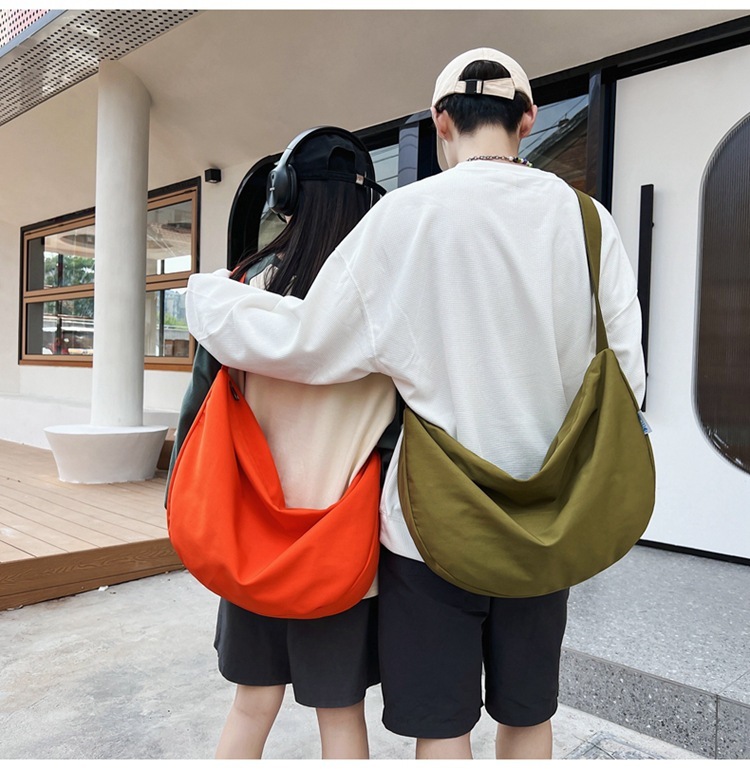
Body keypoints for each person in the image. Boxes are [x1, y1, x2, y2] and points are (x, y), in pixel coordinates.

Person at [185, 48, 646, 760]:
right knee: (529, 717)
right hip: (551, 523)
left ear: (441, 122)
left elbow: (309, 340)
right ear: (527, 119)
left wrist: (209, 298)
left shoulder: (405, 216)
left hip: (433, 530)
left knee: (443, 727)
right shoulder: (589, 221)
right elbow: (628, 380)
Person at [170, 126, 396, 759]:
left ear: (285, 195)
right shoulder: (386, 306)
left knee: (252, 704)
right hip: (343, 546)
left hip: (250, 538)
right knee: (340, 716)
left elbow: (197, 419)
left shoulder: (237, 297)